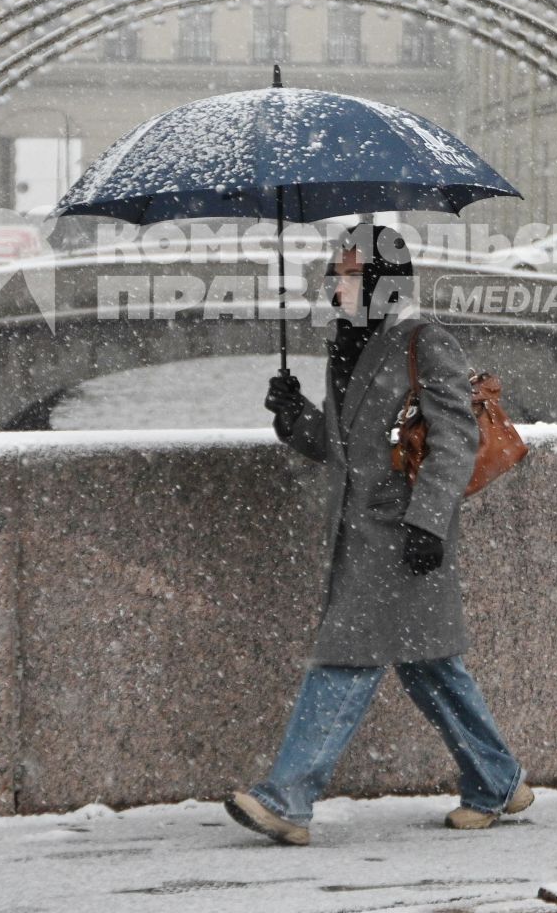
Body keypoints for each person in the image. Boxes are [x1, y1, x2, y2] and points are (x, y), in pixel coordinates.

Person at [224, 222, 530, 846]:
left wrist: (427, 522)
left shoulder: (424, 342)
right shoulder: (347, 346)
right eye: (335, 273)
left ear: (384, 283)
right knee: (429, 666)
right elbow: (342, 452)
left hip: (402, 533)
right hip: (360, 532)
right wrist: (295, 415)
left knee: (347, 657)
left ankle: (287, 798)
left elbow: (453, 442)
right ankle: (497, 777)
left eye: (349, 273)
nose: (334, 283)